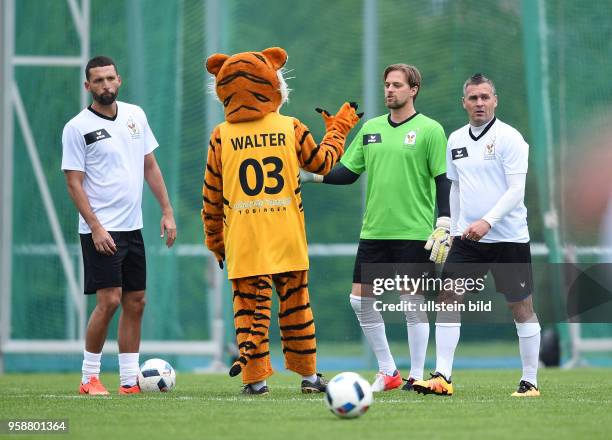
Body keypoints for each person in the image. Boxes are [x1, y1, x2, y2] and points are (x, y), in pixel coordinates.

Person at [201, 47, 361, 395]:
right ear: (273, 83)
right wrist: (339, 130)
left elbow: (211, 196)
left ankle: (255, 380)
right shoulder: (290, 127)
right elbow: (323, 162)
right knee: (296, 307)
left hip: (243, 239)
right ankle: (308, 377)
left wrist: (215, 242)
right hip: (286, 234)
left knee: (249, 313)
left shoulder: (220, 135)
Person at [302, 64, 451, 392]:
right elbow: (349, 172)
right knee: (359, 301)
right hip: (374, 231)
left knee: (411, 304)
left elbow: (443, 178)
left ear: (413, 90)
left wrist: (444, 221)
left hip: (413, 232)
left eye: (397, 85)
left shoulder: (430, 130)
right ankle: (388, 371)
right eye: (386, 84)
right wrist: (311, 177)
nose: (389, 90)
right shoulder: (370, 128)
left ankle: (415, 374)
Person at [412, 73, 541, 397]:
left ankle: (530, 381)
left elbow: (516, 190)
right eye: (473, 98)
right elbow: (454, 187)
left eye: (485, 97)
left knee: (521, 306)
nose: (479, 103)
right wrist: (453, 229)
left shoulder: (510, 138)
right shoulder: (455, 140)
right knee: (448, 297)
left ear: (495, 100)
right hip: (467, 239)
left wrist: (488, 221)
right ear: (464, 102)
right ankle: (442, 376)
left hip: (508, 237)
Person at [61, 56, 176, 395]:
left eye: (110, 78)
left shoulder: (135, 115)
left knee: (136, 300)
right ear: (88, 86)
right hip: (101, 230)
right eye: (97, 81)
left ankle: (129, 381)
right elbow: (73, 183)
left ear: (119, 80)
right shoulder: (76, 127)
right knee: (109, 300)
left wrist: (167, 210)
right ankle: (89, 378)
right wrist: (96, 227)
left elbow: (150, 165)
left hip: (132, 228)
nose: (105, 85)